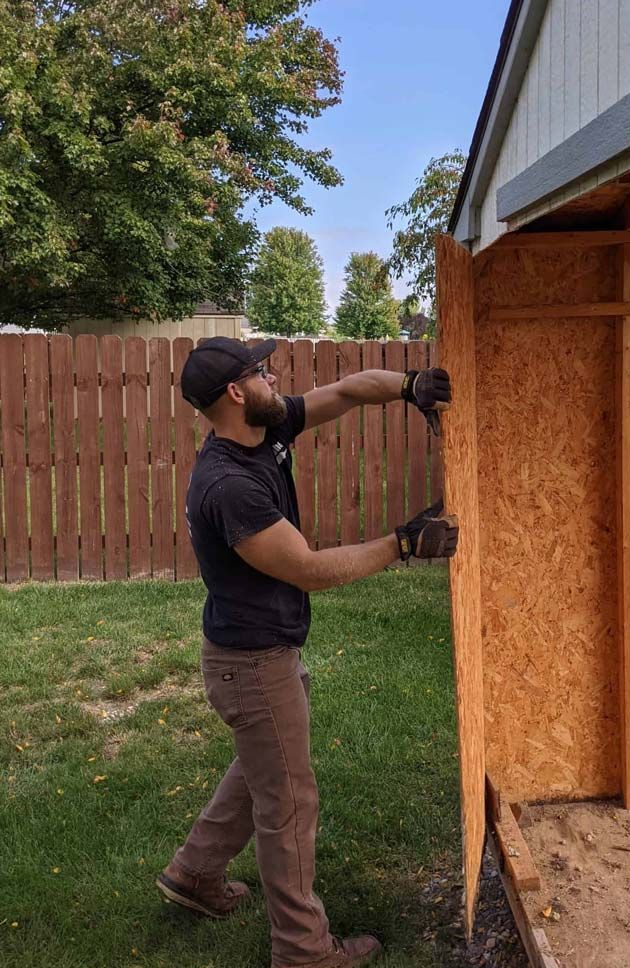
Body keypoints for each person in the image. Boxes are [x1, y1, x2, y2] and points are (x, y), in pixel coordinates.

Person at [156, 337, 458, 968]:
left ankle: (193, 873)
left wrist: (410, 386)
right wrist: (404, 544)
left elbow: (346, 392)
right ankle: (303, 951)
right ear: (237, 393)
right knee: (290, 803)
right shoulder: (229, 486)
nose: (276, 376)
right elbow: (309, 569)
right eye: (262, 371)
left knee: (263, 769)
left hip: (257, 655)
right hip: (252, 664)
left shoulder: (264, 427)